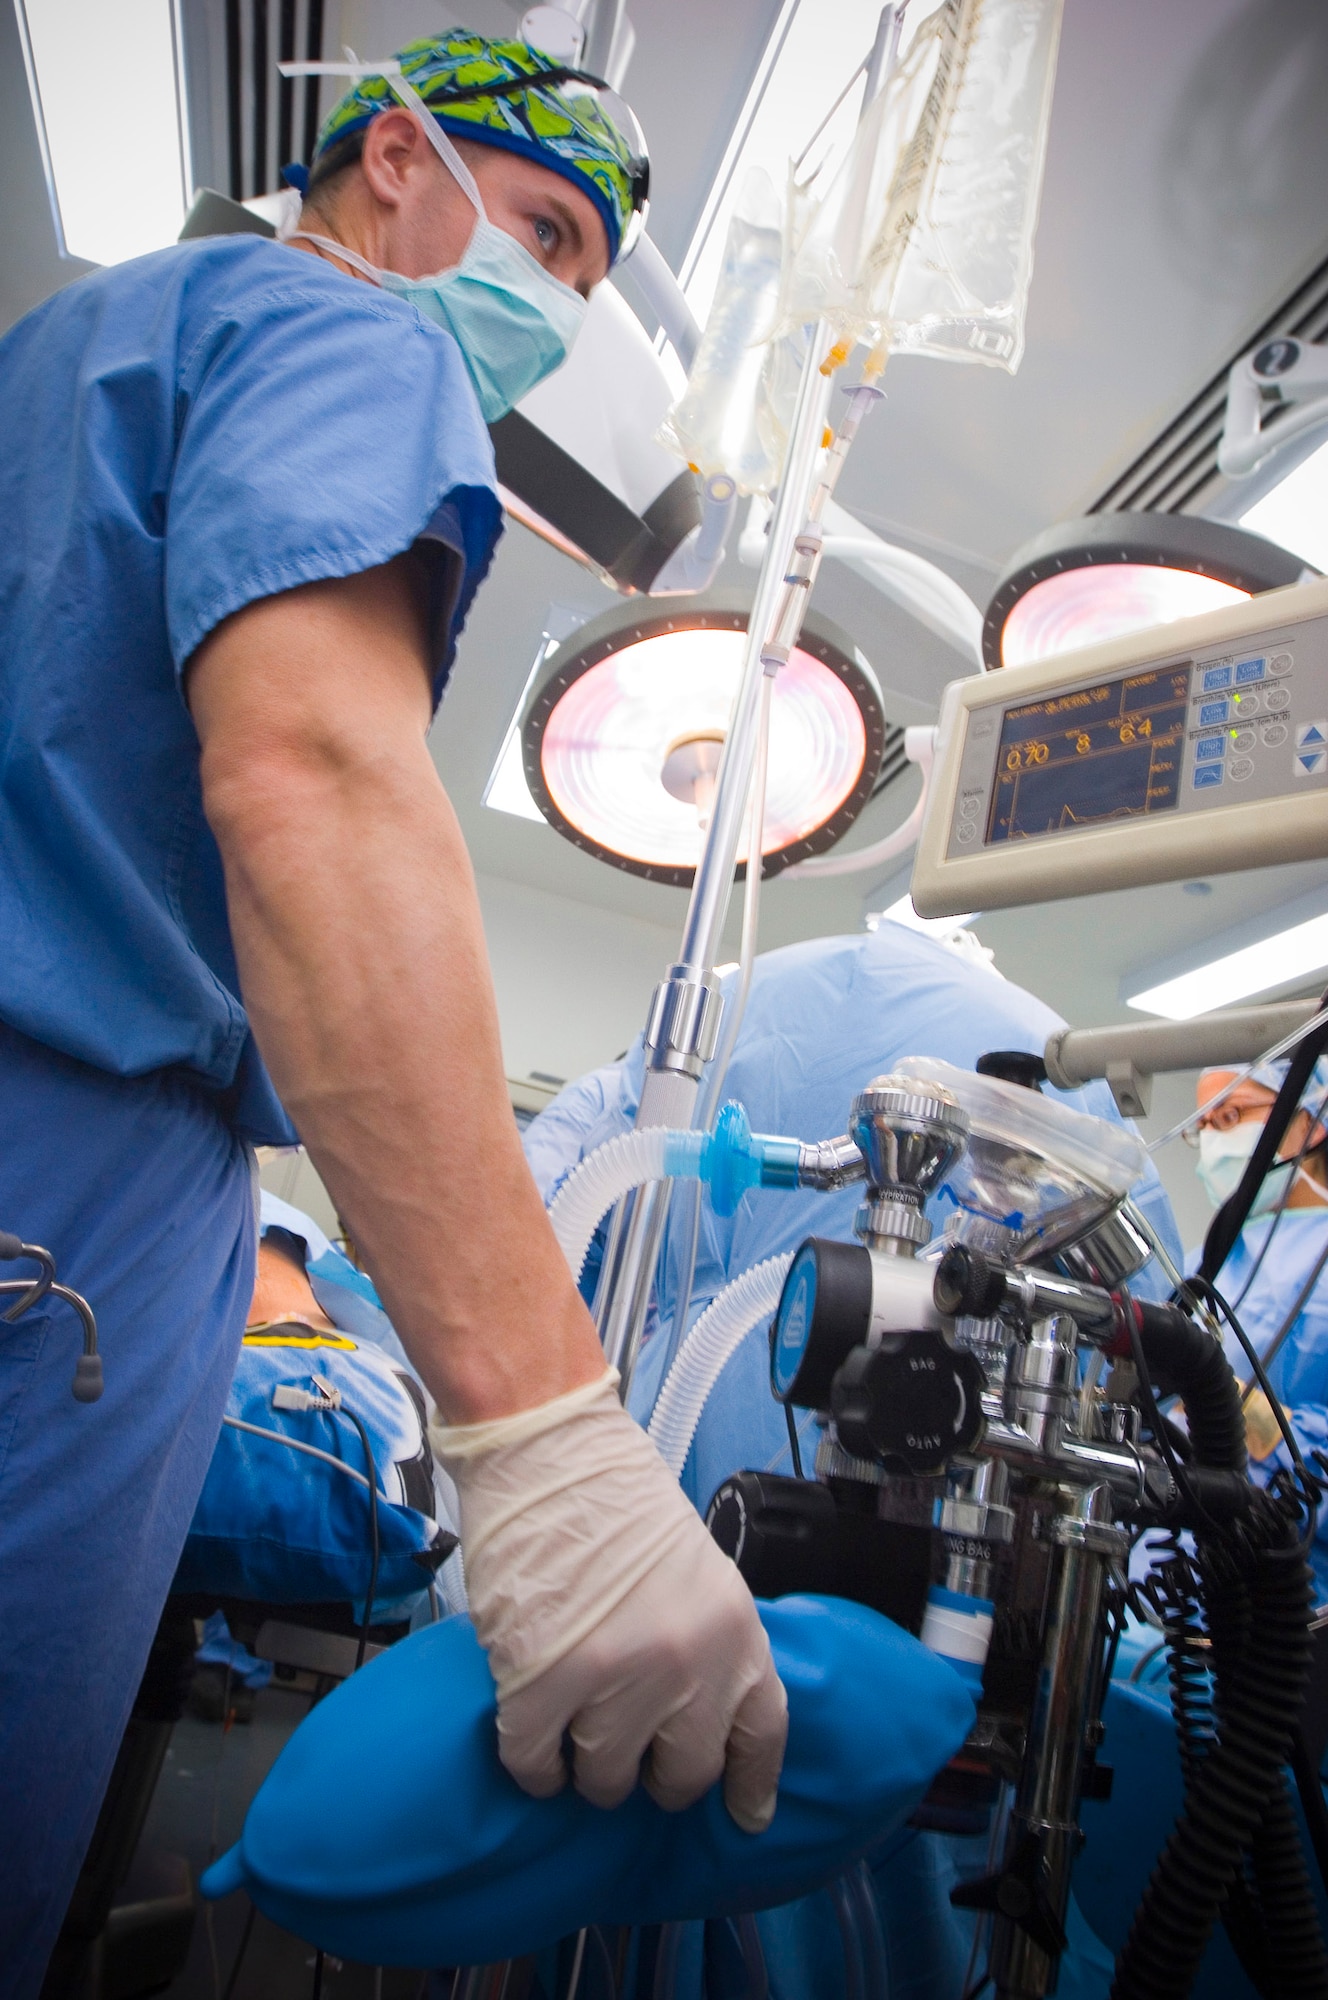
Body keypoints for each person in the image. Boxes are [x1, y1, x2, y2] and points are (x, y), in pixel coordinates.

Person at [0, 31, 783, 1993]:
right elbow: (315, 784)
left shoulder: (77, 346)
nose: (547, 303)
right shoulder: (344, 336)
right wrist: (542, 1442)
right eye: (535, 229)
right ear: (386, 161)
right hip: (60, 1204)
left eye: (585, 278)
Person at [523, 920, 1181, 2000]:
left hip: (635, 1496)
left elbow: (546, 1225)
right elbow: (1133, 1377)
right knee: (880, 1854)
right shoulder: (1051, 1081)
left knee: (621, 1827)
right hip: (933, 1578)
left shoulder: (721, 1016)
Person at [1190, 1053, 1328, 1596]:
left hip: (1296, 1588)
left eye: (1230, 1117)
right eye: (1201, 1127)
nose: (1213, 1143)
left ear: (1309, 1118)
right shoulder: (1216, 1255)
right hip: (1183, 1564)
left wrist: (1232, 1411)